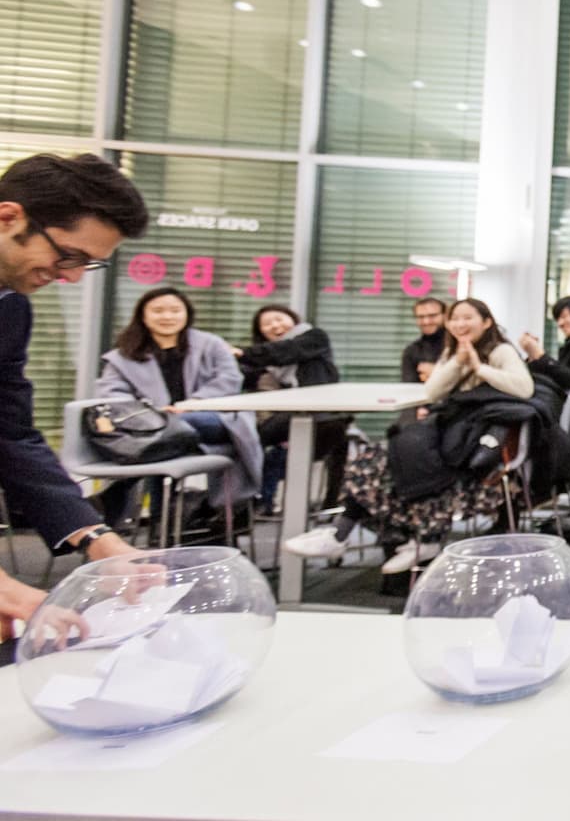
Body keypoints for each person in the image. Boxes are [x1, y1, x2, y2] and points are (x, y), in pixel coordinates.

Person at [0, 153, 151, 650]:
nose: (72, 277)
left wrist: (98, 541)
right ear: (9, 217)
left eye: (89, 263)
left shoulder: (11, 309)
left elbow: (11, 433)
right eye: (68, 256)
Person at [330, 298, 534, 572]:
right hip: (453, 435)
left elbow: (524, 389)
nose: (460, 324)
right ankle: (345, 534)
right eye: (455, 319)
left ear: (486, 322)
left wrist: (479, 367)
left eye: (467, 318)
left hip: (475, 445)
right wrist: (458, 362)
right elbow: (433, 392)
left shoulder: (500, 351)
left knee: (395, 462)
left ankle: (408, 538)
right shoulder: (452, 351)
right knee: (375, 458)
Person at [95, 287, 263, 531]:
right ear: (143, 315)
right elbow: (112, 393)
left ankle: (116, 498)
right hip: (154, 426)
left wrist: (189, 406)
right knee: (164, 443)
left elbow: (229, 379)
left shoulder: (211, 344)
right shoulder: (125, 355)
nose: (167, 316)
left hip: (214, 421)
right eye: (158, 311)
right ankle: (159, 530)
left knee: (168, 432)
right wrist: (152, 413)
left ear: (187, 314)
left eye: (175, 310)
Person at [232, 305, 347, 514]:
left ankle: (332, 505)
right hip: (289, 420)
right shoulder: (266, 359)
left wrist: (243, 353)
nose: (275, 325)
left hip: (322, 416)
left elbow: (288, 352)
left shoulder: (314, 338)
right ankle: (250, 503)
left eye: (279, 319)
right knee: (243, 439)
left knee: (338, 435)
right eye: (267, 324)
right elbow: (243, 375)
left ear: (292, 318)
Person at [401, 297, 448, 383]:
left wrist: (437, 373)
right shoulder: (412, 350)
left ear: (445, 316)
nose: (426, 321)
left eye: (432, 316)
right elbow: (408, 387)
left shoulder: (459, 345)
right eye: (421, 317)